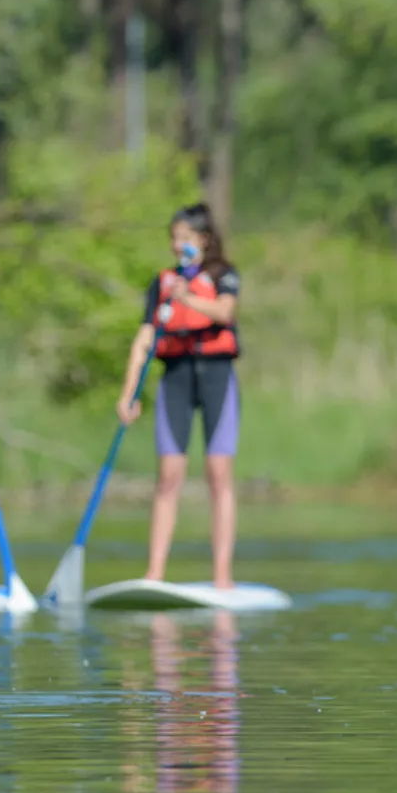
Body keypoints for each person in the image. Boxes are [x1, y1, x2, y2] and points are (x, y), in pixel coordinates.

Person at [115, 201, 240, 588]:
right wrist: (129, 392)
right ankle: (155, 573)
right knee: (169, 476)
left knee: (218, 474)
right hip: (177, 376)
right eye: (173, 238)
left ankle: (222, 576)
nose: (176, 245)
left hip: (217, 376)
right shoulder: (163, 283)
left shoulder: (223, 275)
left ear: (202, 240)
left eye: (183, 238)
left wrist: (186, 298)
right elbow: (145, 338)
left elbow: (224, 313)